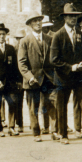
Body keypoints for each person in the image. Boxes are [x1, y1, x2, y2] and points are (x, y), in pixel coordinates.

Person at [50, 4, 82, 145]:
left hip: (79, 77)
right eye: (70, 16)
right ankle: (63, 134)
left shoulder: (80, 34)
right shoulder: (58, 36)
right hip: (63, 77)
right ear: (65, 18)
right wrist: (71, 67)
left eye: (75, 16)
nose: (73, 19)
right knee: (62, 105)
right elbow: (54, 60)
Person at [18, 11, 58, 142]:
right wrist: (30, 77)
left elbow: (54, 59)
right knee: (33, 107)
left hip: (48, 79)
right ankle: (36, 132)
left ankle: (54, 131)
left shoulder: (49, 39)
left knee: (52, 105)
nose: (38, 23)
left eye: (40, 20)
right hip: (32, 80)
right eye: (35, 21)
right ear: (30, 24)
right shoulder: (25, 41)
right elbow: (22, 63)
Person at [10, 28, 27, 133]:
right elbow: (12, 67)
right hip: (15, 80)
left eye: (21, 38)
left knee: (21, 103)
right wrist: (16, 81)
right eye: (18, 39)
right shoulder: (13, 50)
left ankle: (20, 123)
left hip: (25, 79)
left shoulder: (27, 48)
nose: (19, 41)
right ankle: (16, 124)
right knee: (14, 103)